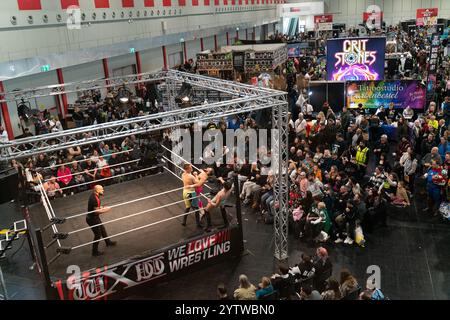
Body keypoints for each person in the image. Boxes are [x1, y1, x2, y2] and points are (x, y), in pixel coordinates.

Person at [86, 185, 116, 256]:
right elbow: (96, 211)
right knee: (98, 235)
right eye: (102, 189)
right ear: (97, 190)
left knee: (102, 229)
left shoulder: (95, 195)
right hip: (92, 219)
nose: (103, 190)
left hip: (95, 217)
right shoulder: (94, 199)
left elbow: (95, 208)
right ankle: (94, 252)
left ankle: (108, 242)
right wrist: (106, 210)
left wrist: (101, 207)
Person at [181, 163, 203, 228]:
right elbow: (198, 183)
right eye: (190, 167)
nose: (192, 168)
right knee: (196, 209)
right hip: (191, 193)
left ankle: (183, 222)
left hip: (185, 192)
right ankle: (198, 224)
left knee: (188, 207)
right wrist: (196, 175)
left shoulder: (183, 174)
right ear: (187, 169)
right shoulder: (191, 176)